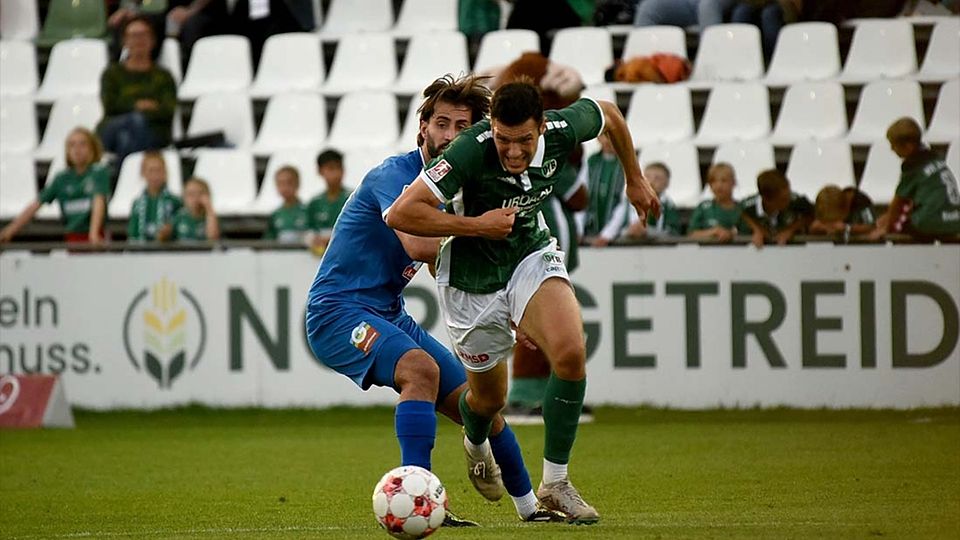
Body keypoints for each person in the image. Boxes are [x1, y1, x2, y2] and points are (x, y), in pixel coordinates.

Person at [387, 80, 661, 524]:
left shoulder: (562, 128)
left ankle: (555, 482)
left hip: (528, 255)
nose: (513, 152)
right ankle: (475, 441)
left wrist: (635, 177)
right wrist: (478, 225)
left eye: (524, 141)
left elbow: (608, 111)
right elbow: (401, 212)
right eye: (503, 139)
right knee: (487, 400)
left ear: (541, 128)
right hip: (470, 281)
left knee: (571, 353)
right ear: (491, 127)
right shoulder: (468, 151)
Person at [305, 75, 567, 526]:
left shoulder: (457, 189)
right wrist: (483, 229)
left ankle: (530, 509)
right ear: (421, 127)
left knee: (480, 404)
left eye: (460, 126)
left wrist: (509, 307)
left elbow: (446, 265)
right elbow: (419, 246)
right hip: (337, 312)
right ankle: (423, 500)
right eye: (440, 123)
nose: (448, 135)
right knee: (420, 371)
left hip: (388, 312)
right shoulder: (395, 175)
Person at [0, 128, 110, 245]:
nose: (77, 150)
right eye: (72, 145)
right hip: (72, 236)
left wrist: (93, 234)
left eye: (83, 144)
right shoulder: (61, 178)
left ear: (92, 148)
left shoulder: (99, 172)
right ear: (67, 150)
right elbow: (36, 204)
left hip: (96, 237)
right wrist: (9, 231)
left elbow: (98, 201)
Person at [98, 16, 177, 164]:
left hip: (154, 132)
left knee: (126, 138)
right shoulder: (112, 74)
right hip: (113, 128)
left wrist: (130, 106)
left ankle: (120, 179)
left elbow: (167, 110)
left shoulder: (164, 77)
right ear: (124, 42)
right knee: (135, 121)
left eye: (144, 35)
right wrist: (139, 106)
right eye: (133, 36)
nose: (139, 40)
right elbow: (110, 105)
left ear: (153, 40)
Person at [870, 118, 960, 239]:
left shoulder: (913, 165)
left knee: (899, 224)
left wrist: (886, 228)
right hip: (955, 221)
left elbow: (899, 202)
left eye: (894, 145)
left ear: (908, 146)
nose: (891, 149)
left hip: (931, 221)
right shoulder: (935, 158)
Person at [740, 169, 814, 247]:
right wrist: (756, 229)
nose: (789, 200)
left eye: (789, 192)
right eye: (783, 199)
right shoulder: (747, 207)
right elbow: (737, 214)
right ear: (766, 199)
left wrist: (790, 230)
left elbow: (811, 216)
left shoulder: (796, 201)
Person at [583, 132, 629, 247]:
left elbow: (625, 203)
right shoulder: (591, 162)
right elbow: (582, 197)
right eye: (606, 137)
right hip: (591, 233)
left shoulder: (627, 163)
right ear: (598, 138)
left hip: (617, 235)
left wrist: (607, 234)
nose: (609, 141)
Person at [127, 151, 182, 242]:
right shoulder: (137, 203)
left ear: (165, 173)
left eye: (159, 170)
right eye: (151, 170)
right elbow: (132, 233)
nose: (155, 175)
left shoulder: (175, 201)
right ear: (143, 173)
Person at [688, 162, 747, 243]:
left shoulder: (742, 209)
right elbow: (691, 234)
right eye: (713, 181)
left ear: (733, 183)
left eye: (724, 181)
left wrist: (730, 234)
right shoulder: (703, 208)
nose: (718, 185)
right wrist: (714, 232)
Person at [621, 162, 682, 239]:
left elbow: (673, 233)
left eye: (657, 178)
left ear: (667, 183)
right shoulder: (629, 203)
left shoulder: (668, 206)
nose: (651, 182)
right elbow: (615, 229)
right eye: (647, 177)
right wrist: (630, 231)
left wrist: (648, 232)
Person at [306, 150, 350, 253]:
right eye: (331, 168)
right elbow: (308, 231)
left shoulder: (353, 199)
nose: (336, 173)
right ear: (320, 171)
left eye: (339, 168)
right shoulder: (314, 203)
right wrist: (313, 240)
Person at [263, 166, 310, 244]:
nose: (285, 188)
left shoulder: (308, 211)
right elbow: (269, 240)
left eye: (289, 183)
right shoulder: (276, 214)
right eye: (281, 183)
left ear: (297, 184)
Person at [809, 184, 875, 240]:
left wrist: (847, 228)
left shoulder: (863, 203)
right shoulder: (831, 199)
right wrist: (825, 228)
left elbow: (871, 226)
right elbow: (816, 226)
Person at [170, 177, 220, 241]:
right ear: (184, 197)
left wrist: (209, 209)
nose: (195, 198)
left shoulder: (211, 217)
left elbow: (213, 238)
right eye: (191, 194)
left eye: (200, 193)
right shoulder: (179, 217)